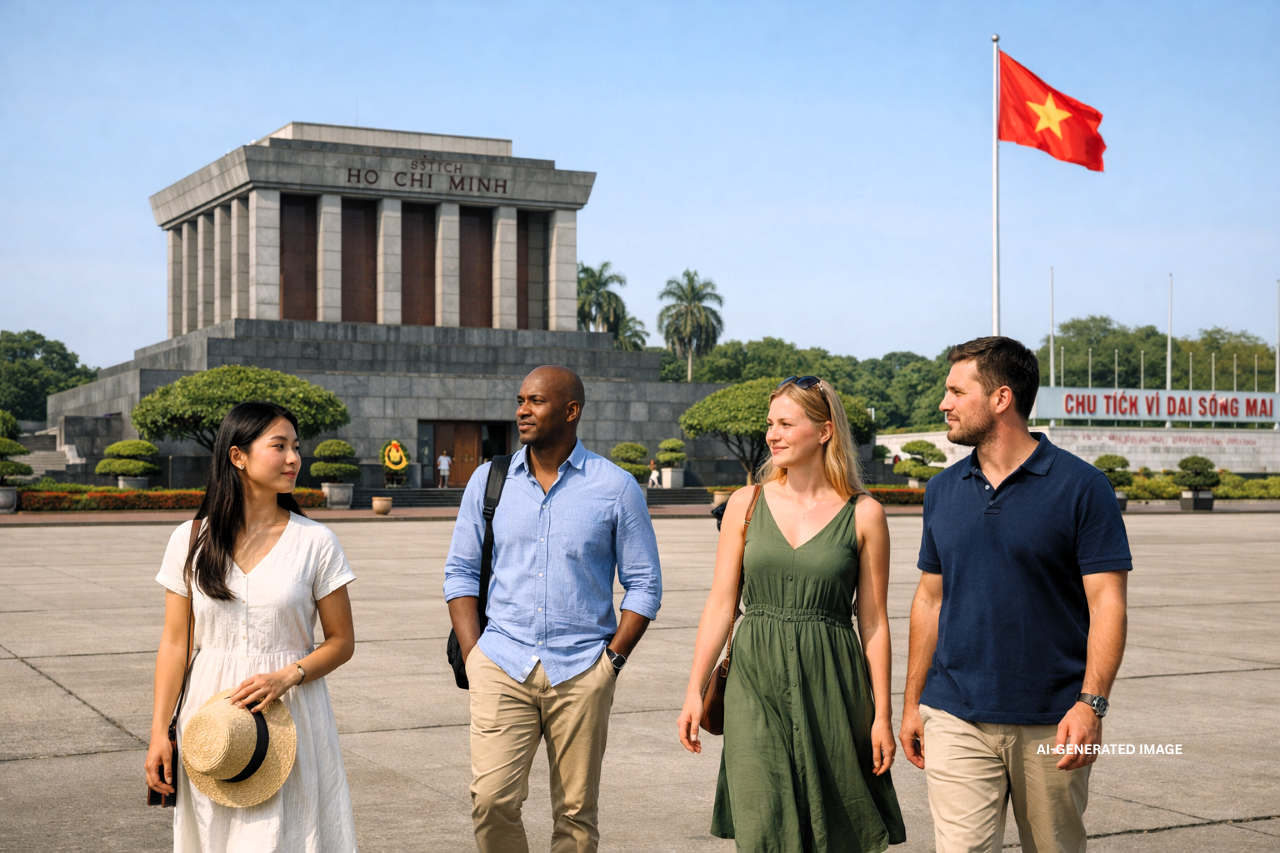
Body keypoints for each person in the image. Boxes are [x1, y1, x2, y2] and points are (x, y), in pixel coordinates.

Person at [899, 337, 1131, 853]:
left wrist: (1091, 704)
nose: (944, 403)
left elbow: (1107, 603)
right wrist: (913, 702)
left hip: (1053, 719)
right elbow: (929, 600)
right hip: (955, 713)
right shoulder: (942, 489)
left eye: (957, 391)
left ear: (1001, 399)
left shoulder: (1082, 487)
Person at [677, 376, 906, 852]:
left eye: (786, 423)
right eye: (770, 424)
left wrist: (882, 714)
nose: (772, 435)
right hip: (753, 682)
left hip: (833, 683)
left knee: (835, 825)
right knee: (764, 821)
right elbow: (721, 604)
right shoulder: (745, 504)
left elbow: (875, 623)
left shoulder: (864, 514)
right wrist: (695, 690)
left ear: (824, 431)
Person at [444, 365, 662, 853]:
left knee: (575, 815)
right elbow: (459, 573)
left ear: (571, 410)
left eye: (536, 400)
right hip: (502, 663)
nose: (522, 409)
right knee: (492, 800)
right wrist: (475, 654)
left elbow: (644, 584)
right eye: (520, 399)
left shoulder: (616, 487)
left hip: (583, 669)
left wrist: (612, 663)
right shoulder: (488, 481)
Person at [144, 401, 359, 852]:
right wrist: (159, 734)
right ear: (237, 456)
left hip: (292, 712)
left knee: (291, 834)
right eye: (278, 446)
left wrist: (289, 674)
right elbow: (175, 643)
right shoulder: (189, 540)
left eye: (296, 448)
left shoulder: (316, 542)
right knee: (214, 834)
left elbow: (341, 642)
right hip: (210, 719)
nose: (294, 459)